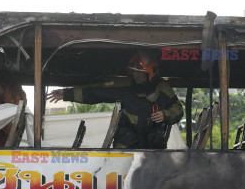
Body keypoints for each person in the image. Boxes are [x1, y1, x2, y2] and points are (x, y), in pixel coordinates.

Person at [47, 51, 183, 149]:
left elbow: (178, 109)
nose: (136, 76)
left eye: (140, 73)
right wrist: (67, 94)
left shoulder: (164, 89)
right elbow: (96, 92)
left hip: (153, 147)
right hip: (126, 146)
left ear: (151, 73)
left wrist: (165, 115)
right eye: (134, 72)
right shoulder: (124, 85)